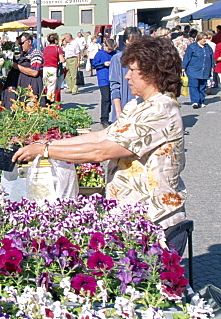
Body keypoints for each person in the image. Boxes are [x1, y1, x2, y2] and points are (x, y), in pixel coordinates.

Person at [14, 36, 187, 254]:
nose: (127, 76)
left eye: (133, 70)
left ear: (153, 72)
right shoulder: (138, 105)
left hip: (157, 223)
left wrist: (46, 150)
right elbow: (100, 136)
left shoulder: (161, 111)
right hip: (134, 221)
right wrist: (49, 143)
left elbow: (101, 151)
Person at [2, 34, 43, 108]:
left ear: (29, 42)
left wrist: (17, 67)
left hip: (31, 88)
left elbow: (34, 72)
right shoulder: (24, 54)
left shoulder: (36, 54)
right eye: (19, 44)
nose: (20, 46)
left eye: (22, 43)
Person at [109, 26, 141, 122]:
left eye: (137, 41)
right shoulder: (117, 59)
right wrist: (118, 111)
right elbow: (114, 86)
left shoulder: (146, 58)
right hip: (125, 104)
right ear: (125, 41)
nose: (134, 44)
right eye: (130, 41)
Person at [91, 37, 117, 128]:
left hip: (113, 78)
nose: (109, 51)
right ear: (104, 46)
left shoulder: (115, 54)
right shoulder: (100, 54)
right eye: (108, 49)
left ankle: (113, 116)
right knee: (106, 98)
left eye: (111, 49)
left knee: (114, 98)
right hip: (103, 79)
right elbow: (93, 65)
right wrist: (103, 64)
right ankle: (104, 119)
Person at [182, 31, 213, 108]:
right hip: (193, 69)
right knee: (194, 85)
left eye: (206, 39)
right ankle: (195, 101)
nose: (205, 41)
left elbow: (211, 58)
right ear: (199, 39)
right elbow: (187, 57)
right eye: (204, 39)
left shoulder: (208, 47)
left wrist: (212, 67)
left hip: (205, 70)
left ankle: (201, 101)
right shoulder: (192, 47)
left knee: (202, 86)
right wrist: (183, 67)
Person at [42, 33, 64, 102]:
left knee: (45, 85)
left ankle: (44, 100)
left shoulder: (45, 48)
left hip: (45, 68)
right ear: (55, 40)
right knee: (51, 87)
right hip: (53, 68)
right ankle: (50, 102)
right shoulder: (58, 48)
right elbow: (62, 60)